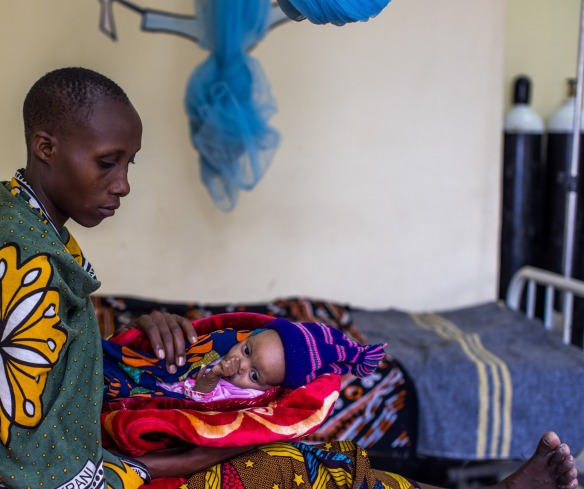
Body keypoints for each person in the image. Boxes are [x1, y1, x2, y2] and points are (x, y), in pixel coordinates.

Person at [0, 67, 578, 489]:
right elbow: (43, 470)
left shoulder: (26, 228)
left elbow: (61, 365)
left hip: (106, 436)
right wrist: (187, 462)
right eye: (108, 162)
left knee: (312, 456)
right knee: (298, 467)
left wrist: (137, 332)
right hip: (97, 476)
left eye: (130, 163)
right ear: (45, 146)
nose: (124, 183)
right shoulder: (25, 262)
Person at [103, 313, 387, 402]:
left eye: (254, 375)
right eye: (247, 350)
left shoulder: (239, 395)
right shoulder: (228, 342)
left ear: (269, 389)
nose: (241, 364)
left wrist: (210, 378)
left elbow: (201, 401)